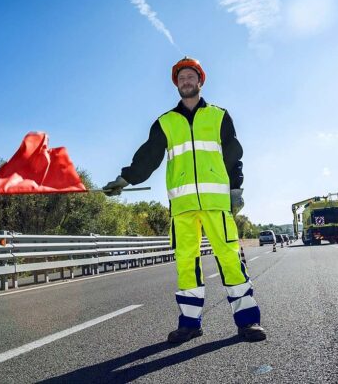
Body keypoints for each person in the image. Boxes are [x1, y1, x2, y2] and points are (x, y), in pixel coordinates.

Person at [103, 57, 266, 343]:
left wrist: (236, 189)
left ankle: (248, 323)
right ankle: (190, 324)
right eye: (181, 78)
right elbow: (147, 157)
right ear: (177, 85)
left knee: (230, 260)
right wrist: (124, 179)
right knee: (186, 265)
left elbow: (233, 155)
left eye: (190, 76)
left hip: (217, 206)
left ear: (200, 81)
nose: (185, 81)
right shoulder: (165, 123)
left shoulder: (219, 116)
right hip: (183, 209)